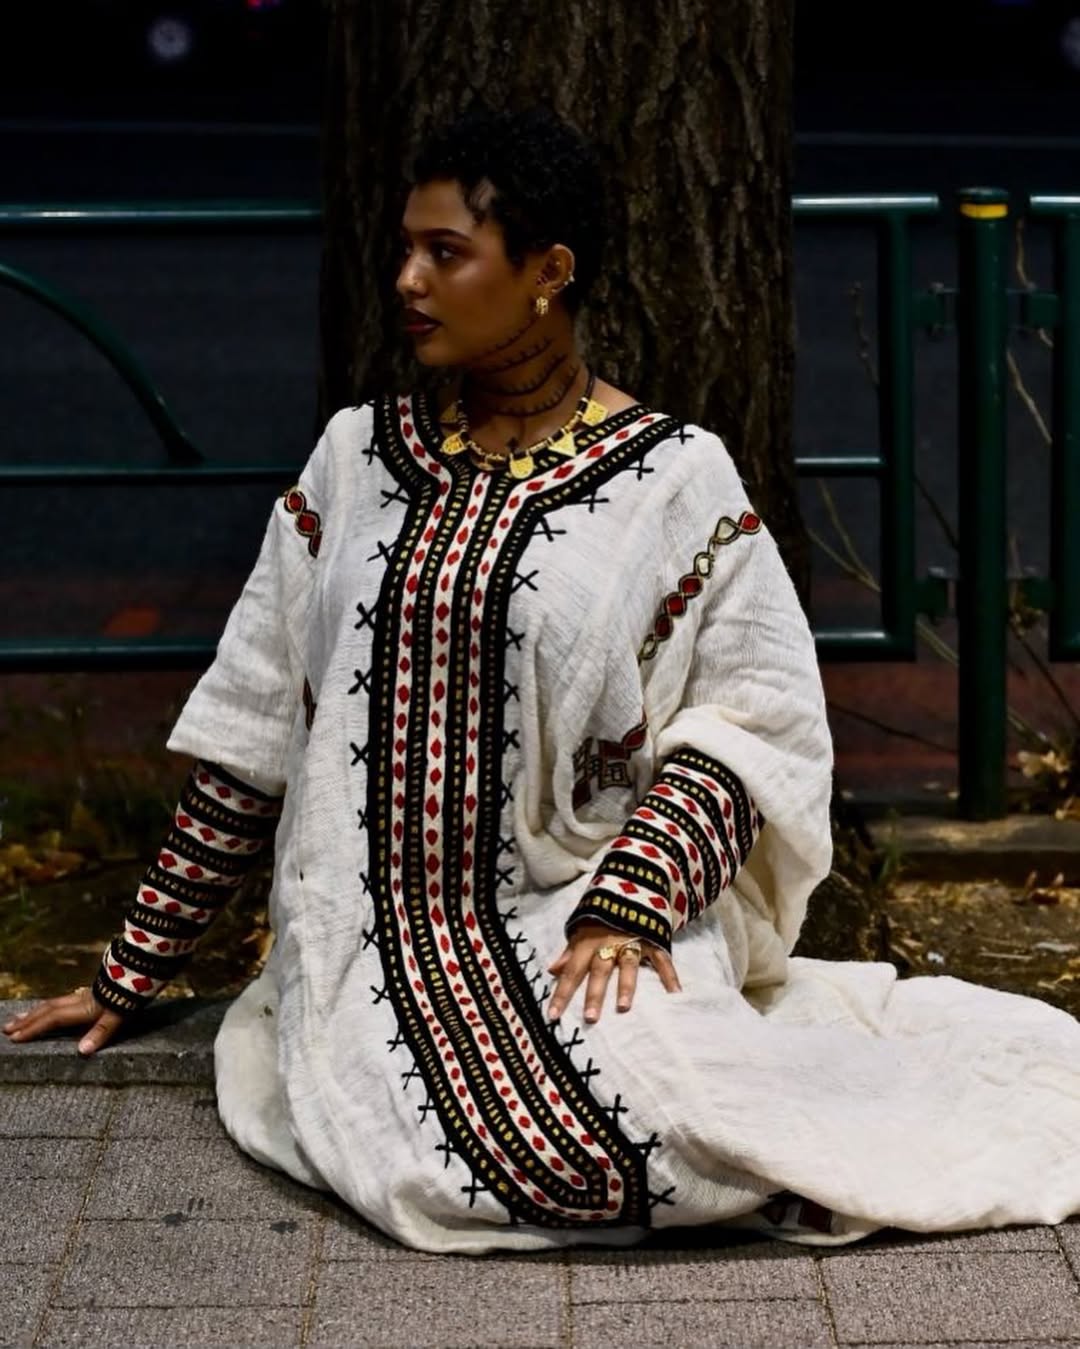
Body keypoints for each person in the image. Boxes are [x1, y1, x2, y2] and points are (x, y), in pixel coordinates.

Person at [6, 105, 1080, 1255]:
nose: (408, 279)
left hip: (586, 910)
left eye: (446, 252)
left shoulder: (672, 477)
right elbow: (255, 725)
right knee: (461, 1159)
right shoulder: (357, 458)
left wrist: (639, 894)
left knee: (666, 1113)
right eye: (404, 249)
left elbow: (754, 716)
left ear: (547, 273)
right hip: (372, 939)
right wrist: (129, 972)